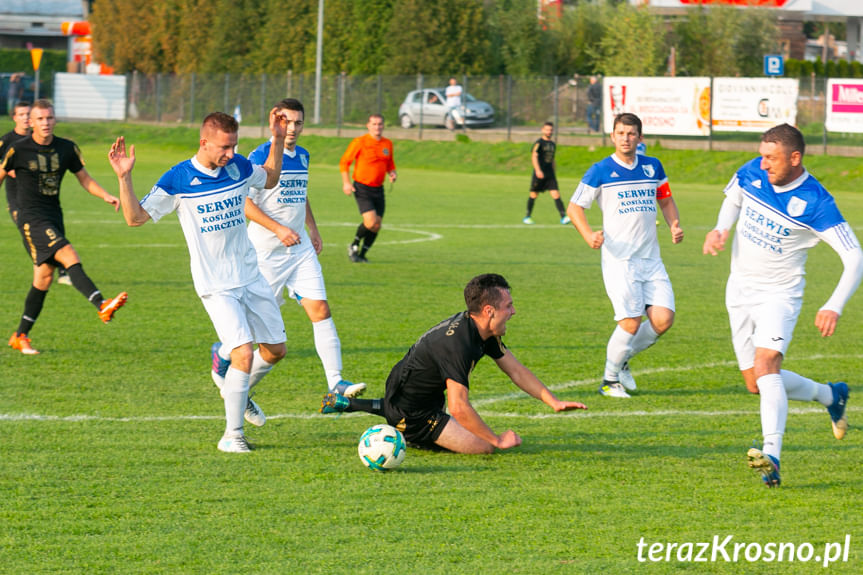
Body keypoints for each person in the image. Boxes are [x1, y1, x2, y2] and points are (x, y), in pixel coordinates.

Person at [108, 109, 289, 453]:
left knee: (276, 351)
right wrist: (124, 178)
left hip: (250, 276)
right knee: (244, 354)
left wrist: (277, 140)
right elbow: (135, 218)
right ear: (204, 142)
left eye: (234, 146)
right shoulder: (178, 179)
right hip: (216, 284)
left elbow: (270, 179)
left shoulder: (237, 167)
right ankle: (232, 436)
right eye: (224, 147)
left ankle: (236, 385)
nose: (231, 154)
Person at [702, 123, 861, 488]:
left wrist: (833, 304)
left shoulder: (817, 202)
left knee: (767, 364)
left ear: (795, 157)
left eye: (772, 158)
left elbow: (855, 258)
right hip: (739, 291)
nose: (764, 164)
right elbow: (734, 197)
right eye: (762, 155)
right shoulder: (753, 171)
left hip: (780, 294)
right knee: (755, 383)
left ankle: (771, 454)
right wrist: (720, 228)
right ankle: (830, 394)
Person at [320, 273, 586, 454]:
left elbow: (515, 369)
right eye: (509, 306)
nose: (513, 311)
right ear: (489, 311)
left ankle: (350, 403)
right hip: (417, 415)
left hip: (412, 391)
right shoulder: (459, 343)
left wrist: (553, 401)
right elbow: (459, 408)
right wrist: (496, 439)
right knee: (483, 447)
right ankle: (406, 432)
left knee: (417, 408)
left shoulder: (482, 329)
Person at [243, 98, 366, 399]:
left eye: (298, 122)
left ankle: (336, 382)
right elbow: (243, 202)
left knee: (320, 309)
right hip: (265, 255)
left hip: (299, 251)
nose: (293, 128)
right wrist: (278, 229)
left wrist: (312, 228)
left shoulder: (304, 156)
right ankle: (237, 386)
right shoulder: (259, 155)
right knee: (256, 339)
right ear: (275, 121)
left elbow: (300, 195)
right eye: (287, 121)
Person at [567, 113, 683, 398]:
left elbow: (666, 200)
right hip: (620, 260)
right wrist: (588, 235)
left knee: (663, 320)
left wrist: (674, 224)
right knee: (630, 322)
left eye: (631, 134)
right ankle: (609, 381)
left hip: (651, 258)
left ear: (640, 137)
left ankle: (622, 360)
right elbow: (574, 207)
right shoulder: (601, 170)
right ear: (613, 136)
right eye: (620, 133)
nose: (625, 138)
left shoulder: (652, 166)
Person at [0, 99, 127, 356]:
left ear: (54, 119)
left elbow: (84, 178)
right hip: (31, 218)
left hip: (53, 215)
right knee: (68, 254)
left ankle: (21, 335)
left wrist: (106, 196)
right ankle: (101, 304)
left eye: (49, 118)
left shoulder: (66, 148)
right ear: (31, 123)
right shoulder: (18, 149)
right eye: (40, 119)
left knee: (43, 278)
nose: (45, 123)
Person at [341, 114, 397, 263]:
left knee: (377, 225)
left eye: (380, 124)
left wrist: (392, 172)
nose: (377, 127)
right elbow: (344, 162)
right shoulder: (360, 142)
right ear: (368, 125)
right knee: (370, 222)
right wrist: (346, 183)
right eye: (374, 124)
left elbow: (389, 163)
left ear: (383, 126)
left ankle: (362, 254)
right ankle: (353, 245)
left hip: (378, 189)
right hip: (362, 187)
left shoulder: (387, 144)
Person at [523, 122, 570, 225]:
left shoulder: (552, 144)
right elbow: (534, 156)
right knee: (534, 194)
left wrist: (554, 170)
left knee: (556, 194)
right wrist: (538, 170)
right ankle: (527, 216)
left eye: (551, 130)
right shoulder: (539, 143)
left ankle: (564, 217)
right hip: (539, 173)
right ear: (542, 130)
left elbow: (552, 159)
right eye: (547, 130)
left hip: (550, 174)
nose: (549, 132)